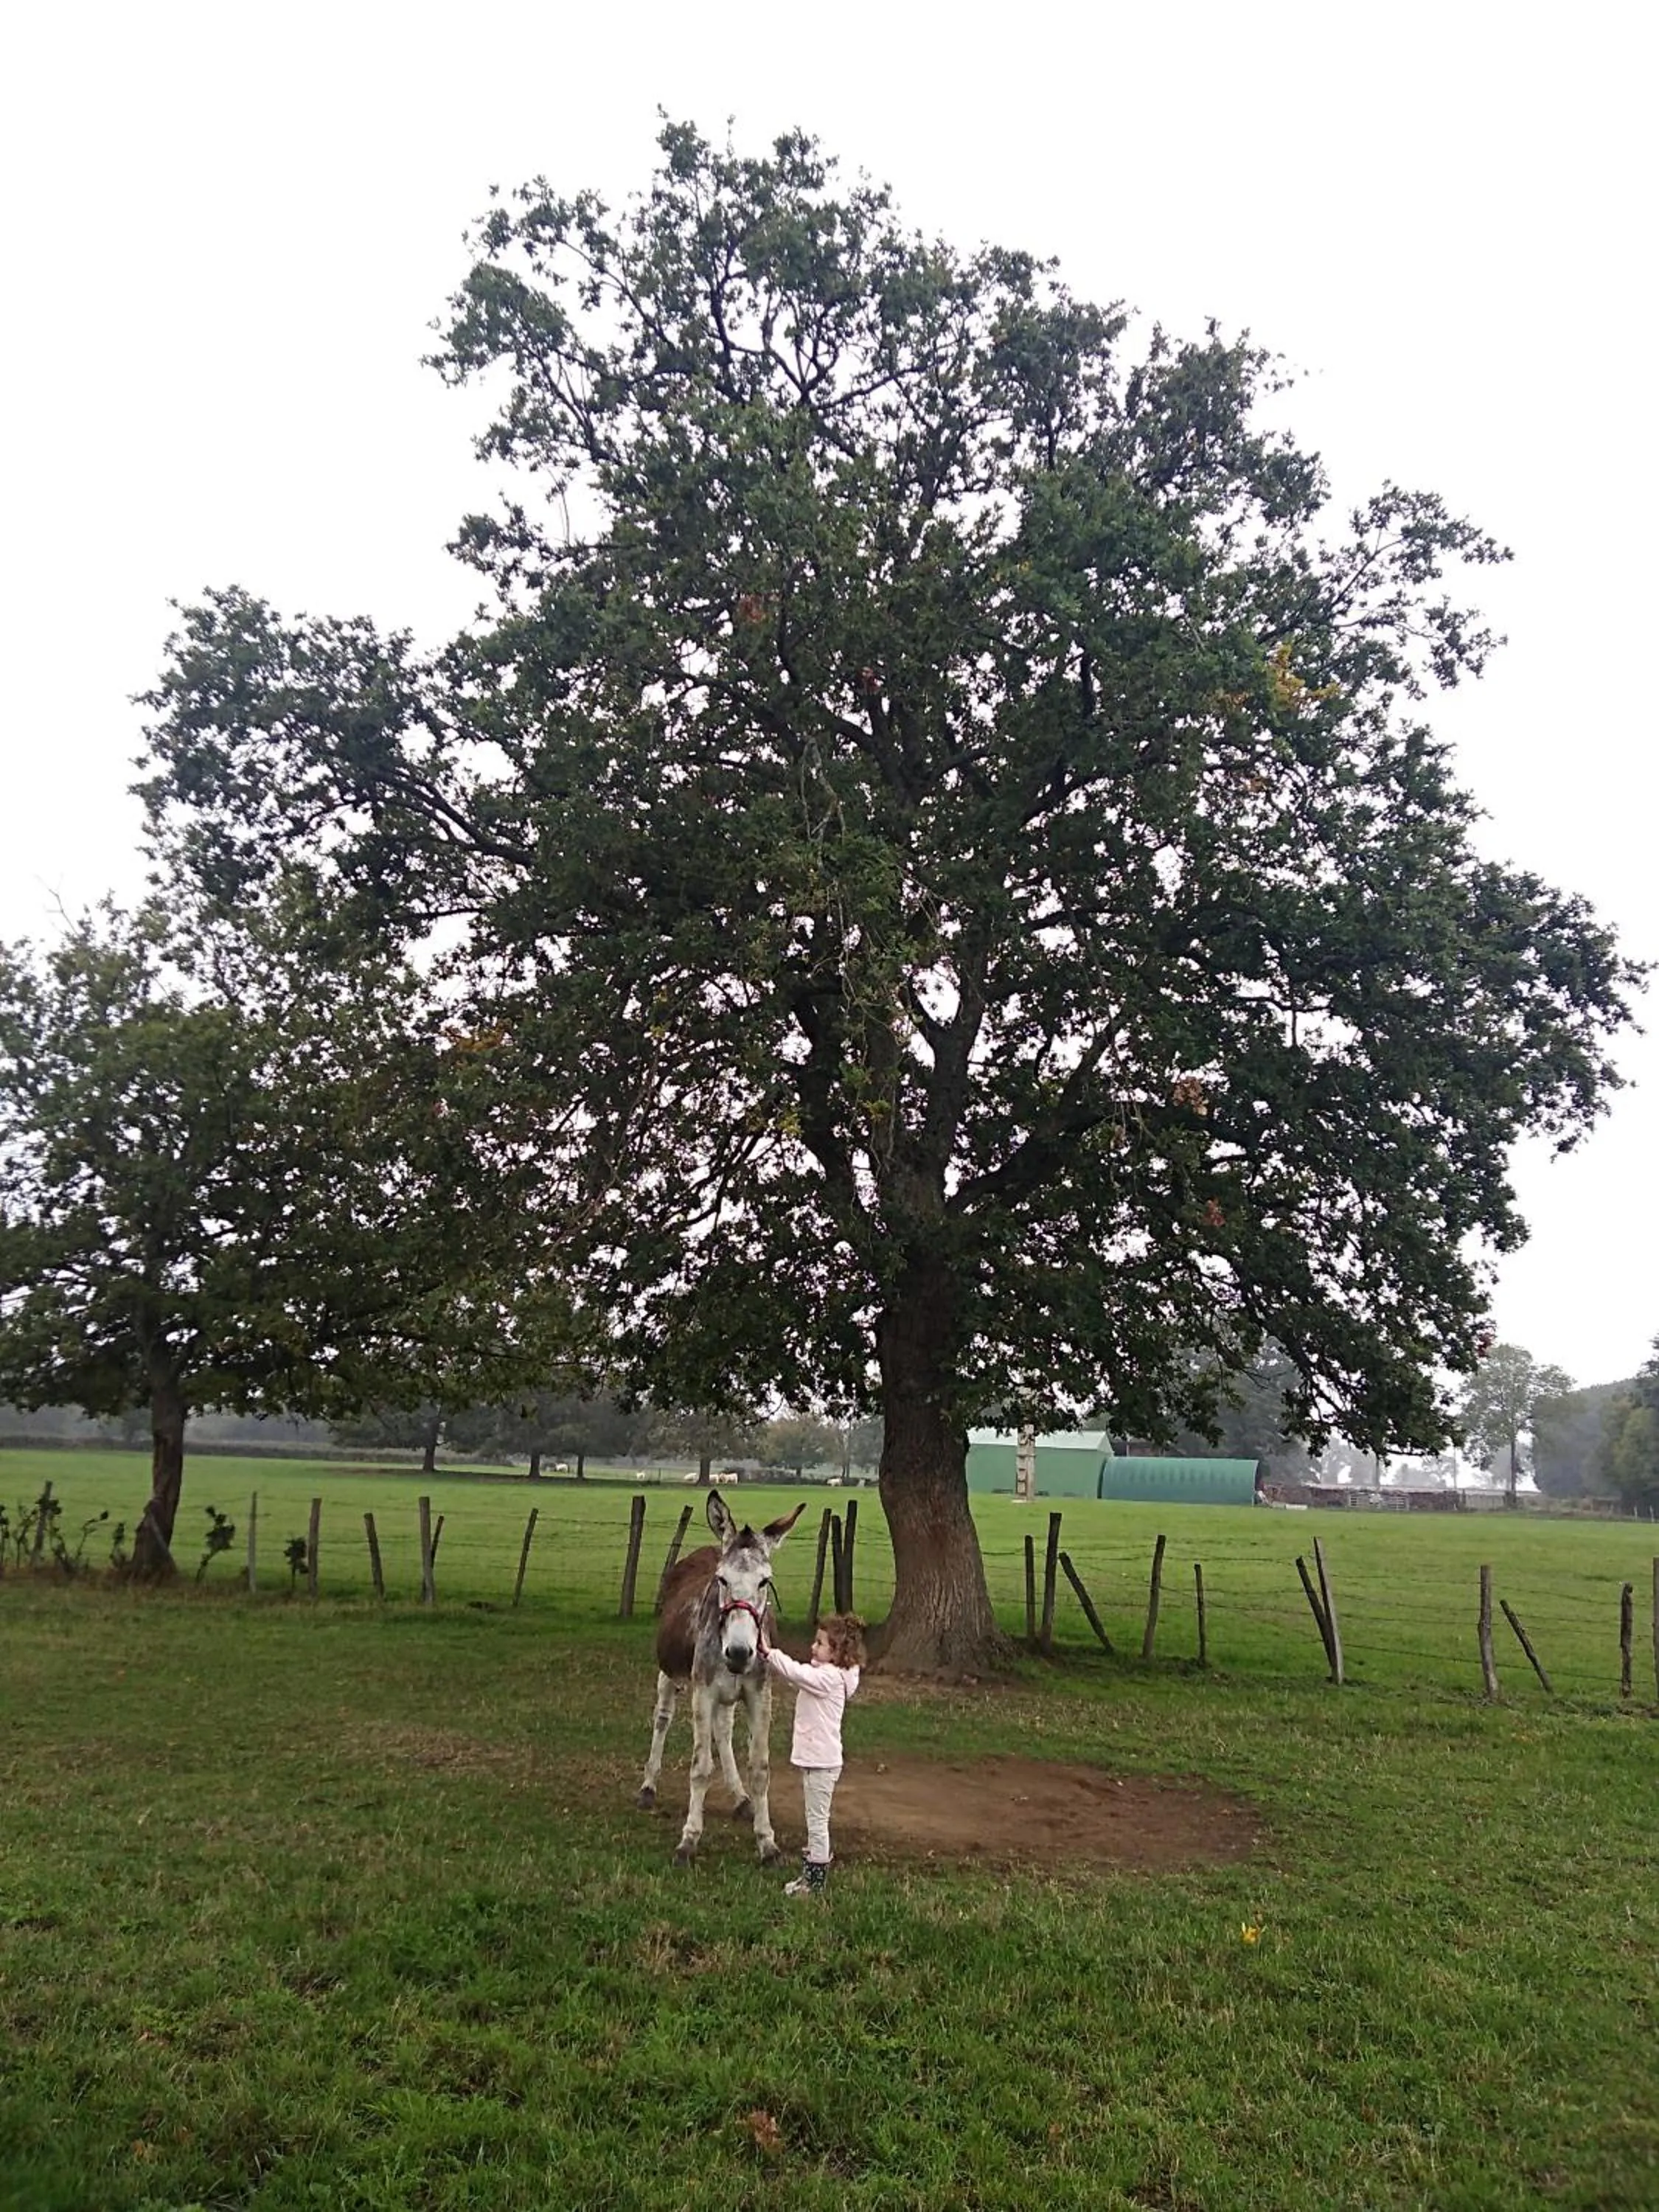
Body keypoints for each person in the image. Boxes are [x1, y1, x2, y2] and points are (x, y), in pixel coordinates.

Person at [761, 1613, 865, 1896]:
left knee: (817, 1823)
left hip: (821, 1763)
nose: (813, 1647)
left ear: (836, 1652)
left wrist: (769, 1653)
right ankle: (809, 1877)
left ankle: (815, 1884)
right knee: (814, 1819)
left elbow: (797, 1673)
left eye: (820, 1644)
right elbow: (801, 1678)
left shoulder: (829, 1679)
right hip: (818, 1761)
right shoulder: (830, 1675)